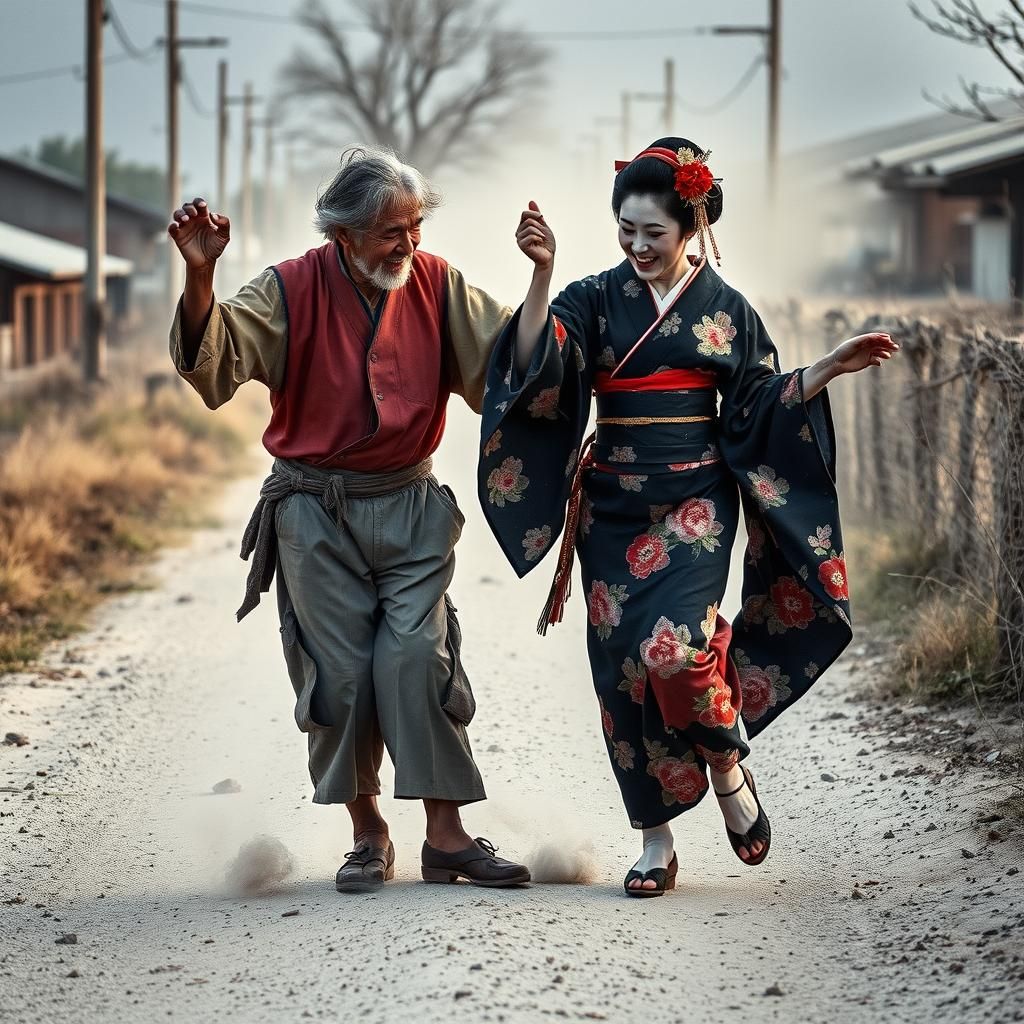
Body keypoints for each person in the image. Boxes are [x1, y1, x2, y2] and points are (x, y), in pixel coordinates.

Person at [477, 137, 897, 896]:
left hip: (695, 505)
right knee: (623, 673)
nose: (638, 247)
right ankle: (656, 842)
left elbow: (758, 404)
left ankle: (728, 770)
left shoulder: (727, 311)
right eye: (626, 230)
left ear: (692, 226)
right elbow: (539, 365)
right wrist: (541, 276)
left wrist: (827, 366)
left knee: (673, 651)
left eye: (654, 233)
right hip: (610, 505)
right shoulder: (593, 297)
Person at [168, 146, 530, 893]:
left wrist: (548, 286)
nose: (409, 244)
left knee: (416, 658)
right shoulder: (290, 288)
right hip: (314, 511)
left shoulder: (436, 283)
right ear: (344, 234)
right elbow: (217, 357)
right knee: (338, 675)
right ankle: (368, 835)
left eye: (415, 226)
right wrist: (201, 273)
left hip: (410, 504)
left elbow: (513, 360)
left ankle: (447, 835)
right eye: (392, 231)